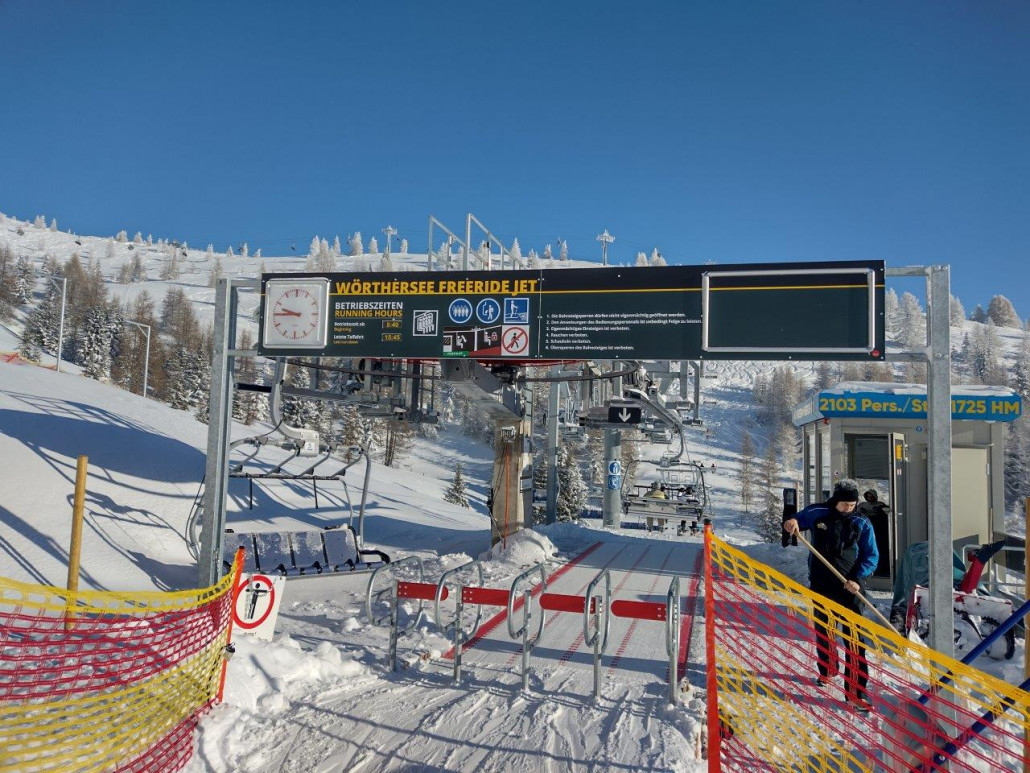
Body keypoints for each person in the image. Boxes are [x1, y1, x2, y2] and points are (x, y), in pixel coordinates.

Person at [783, 479, 879, 712]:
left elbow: (871, 556)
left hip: (850, 586)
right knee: (824, 630)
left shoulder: (861, 523)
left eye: (852, 505)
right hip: (822, 583)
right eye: (844, 504)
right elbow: (798, 519)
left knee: (854, 639)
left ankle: (855, 692)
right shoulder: (819, 512)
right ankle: (828, 669)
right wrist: (792, 522)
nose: (848, 508)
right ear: (835, 501)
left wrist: (857, 579)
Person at [858, 489, 891, 577]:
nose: (870, 498)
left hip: (878, 530)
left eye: (871, 496)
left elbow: (886, 512)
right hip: (865, 529)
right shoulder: (862, 505)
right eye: (868, 496)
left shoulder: (880, 505)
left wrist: (879, 510)